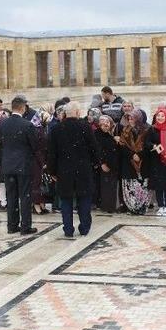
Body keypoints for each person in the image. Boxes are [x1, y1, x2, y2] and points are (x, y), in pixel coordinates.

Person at [47, 102, 99, 237]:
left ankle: (68, 229)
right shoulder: (85, 127)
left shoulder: (57, 129)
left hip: (64, 170)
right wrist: (95, 164)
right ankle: (84, 227)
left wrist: (52, 171)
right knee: (84, 198)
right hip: (83, 169)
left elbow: (51, 153)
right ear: (77, 112)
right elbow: (94, 148)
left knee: (66, 200)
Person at [0, 96, 39, 235]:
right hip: (23, 165)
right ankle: (25, 226)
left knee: (11, 196)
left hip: (8, 165)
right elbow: (34, 145)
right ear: (22, 107)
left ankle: (12, 225)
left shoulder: (3, 124)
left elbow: (1, 142)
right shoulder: (27, 125)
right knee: (25, 196)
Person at [145, 106, 166, 216]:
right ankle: (160, 206)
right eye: (158, 115)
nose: (160, 117)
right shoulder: (152, 129)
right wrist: (154, 146)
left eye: (162, 116)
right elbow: (147, 142)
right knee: (158, 184)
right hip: (156, 161)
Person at [118, 108, 150, 215]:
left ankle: (141, 206)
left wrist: (140, 155)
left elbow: (149, 146)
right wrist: (132, 155)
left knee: (142, 185)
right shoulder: (125, 130)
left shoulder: (147, 130)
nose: (130, 121)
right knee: (130, 185)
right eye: (129, 119)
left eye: (133, 118)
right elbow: (122, 146)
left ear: (138, 119)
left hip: (143, 162)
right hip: (129, 162)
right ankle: (132, 207)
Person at [94, 115, 121, 213]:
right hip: (104, 165)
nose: (105, 125)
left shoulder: (111, 135)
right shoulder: (97, 135)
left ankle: (111, 206)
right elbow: (98, 150)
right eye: (102, 124)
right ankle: (106, 206)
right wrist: (102, 163)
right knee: (106, 187)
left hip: (113, 165)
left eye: (107, 123)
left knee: (111, 187)